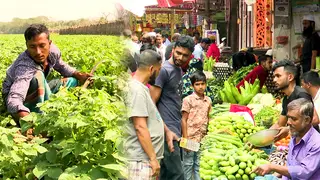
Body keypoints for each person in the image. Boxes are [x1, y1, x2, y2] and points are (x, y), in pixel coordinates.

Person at [2, 24, 91, 121]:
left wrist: (78, 75)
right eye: (32, 47)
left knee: (72, 81)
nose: (38, 52)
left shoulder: (53, 52)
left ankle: (46, 100)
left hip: (39, 87)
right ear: (27, 46)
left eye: (42, 45)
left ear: (49, 43)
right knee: (38, 76)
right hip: (17, 95)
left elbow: (61, 65)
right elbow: (14, 98)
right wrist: (27, 120)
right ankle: (40, 116)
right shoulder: (25, 66)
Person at [124, 50, 178, 180]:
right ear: (152, 69)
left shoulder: (143, 88)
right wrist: (153, 159)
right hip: (140, 161)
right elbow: (140, 127)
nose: (159, 74)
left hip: (145, 160)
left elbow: (153, 116)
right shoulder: (137, 90)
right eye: (159, 70)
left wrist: (167, 131)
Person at [150, 35, 195, 180]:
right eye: (178, 53)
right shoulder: (164, 70)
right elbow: (151, 104)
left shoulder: (178, 70)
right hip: (166, 133)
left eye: (185, 55)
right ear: (173, 49)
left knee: (167, 175)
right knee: (177, 175)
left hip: (175, 131)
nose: (181, 58)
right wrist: (166, 131)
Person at [253, 98, 320, 179]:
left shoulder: (316, 143)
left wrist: (272, 167)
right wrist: (277, 175)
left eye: (294, 119)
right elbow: (291, 163)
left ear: (307, 120)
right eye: (288, 117)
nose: (288, 122)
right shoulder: (296, 133)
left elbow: (303, 172)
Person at [270, 60, 317, 141]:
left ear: (290, 77)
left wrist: (288, 129)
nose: (274, 80)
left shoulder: (301, 94)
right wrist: (260, 138)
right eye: (274, 76)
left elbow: (314, 119)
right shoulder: (286, 99)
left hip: (311, 143)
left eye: (278, 76)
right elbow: (279, 124)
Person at [181, 71, 212, 180]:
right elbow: (184, 120)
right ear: (192, 85)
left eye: (202, 84)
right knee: (188, 164)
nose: (200, 87)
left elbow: (209, 117)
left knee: (199, 163)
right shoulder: (188, 100)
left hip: (202, 138)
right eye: (197, 84)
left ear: (206, 84)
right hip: (190, 137)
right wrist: (185, 139)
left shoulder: (208, 100)